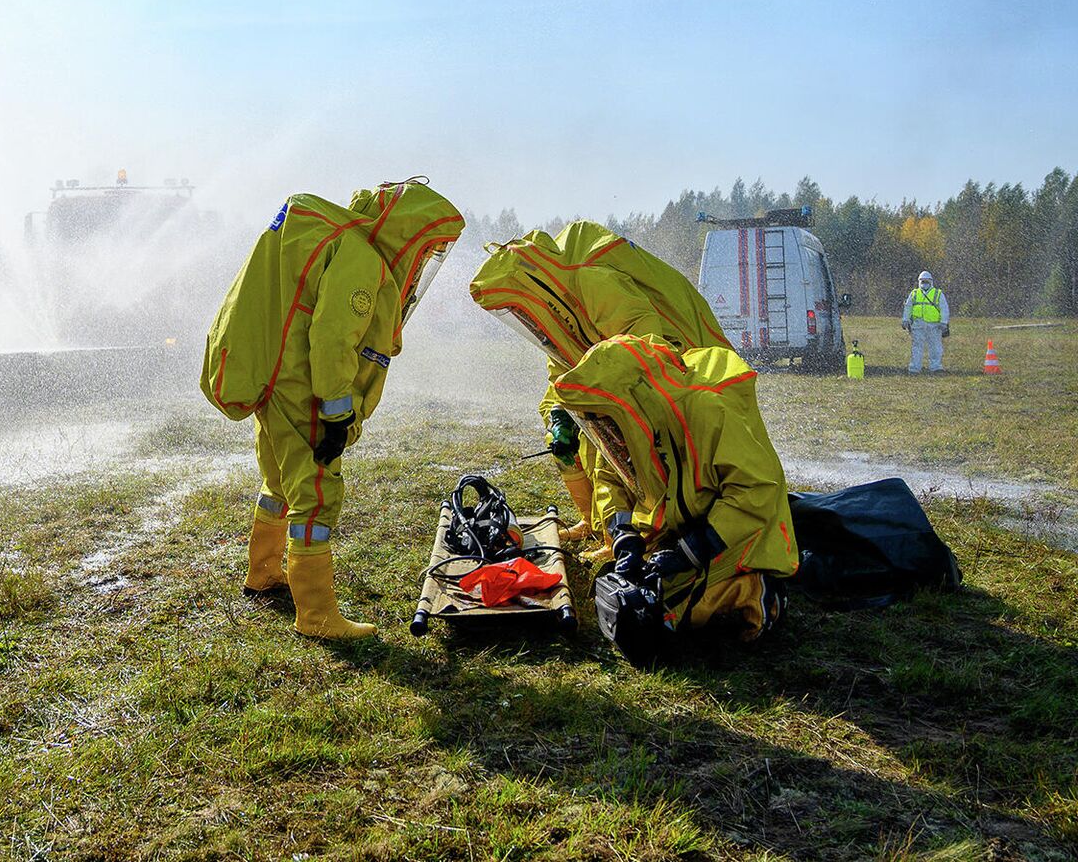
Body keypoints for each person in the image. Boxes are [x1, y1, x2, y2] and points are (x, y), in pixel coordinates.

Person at [202, 179, 462, 639]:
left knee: (278, 481)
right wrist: (338, 412)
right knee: (317, 494)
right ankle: (317, 614)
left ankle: (262, 573)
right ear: (407, 234)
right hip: (306, 390)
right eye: (426, 249)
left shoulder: (339, 242)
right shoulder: (361, 260)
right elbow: (332, 340)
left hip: (278, 380)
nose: (423, 263)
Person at [469, 222, 730, 543]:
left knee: (619, 434)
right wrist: (559, 415)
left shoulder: (592, 281)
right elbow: (563, 369)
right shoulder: (559, 306)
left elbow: (644, 341)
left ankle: (644, 532)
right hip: (641, 369)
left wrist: (597, 402)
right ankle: (596, 524)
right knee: (567, 428)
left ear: (536, 288)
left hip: (686, 362)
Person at [546, 334, 797, 662]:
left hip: (741, 534)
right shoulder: (631, 426)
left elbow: (755, 491)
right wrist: (624, 538)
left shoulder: (708, 411)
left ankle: (757, 591)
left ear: (635, 400)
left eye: (607, 420)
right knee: (629, 591)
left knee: (671, 605)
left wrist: (694, 549)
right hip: (679, 531)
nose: (606, 431)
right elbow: (611, 479)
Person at [902, 271, 950, 374]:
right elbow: (908, 307)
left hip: (934, 325)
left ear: (931, 282)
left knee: (935, 347)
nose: (924, 284)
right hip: (918, 325)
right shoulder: (914, 293)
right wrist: (905, 319)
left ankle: (936, 367)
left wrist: (944, 322)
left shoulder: (938, 293)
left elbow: (944, 308)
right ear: (919, 282)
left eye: (926, 281)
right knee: (917, 347)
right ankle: (914, 368)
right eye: (922, 281)